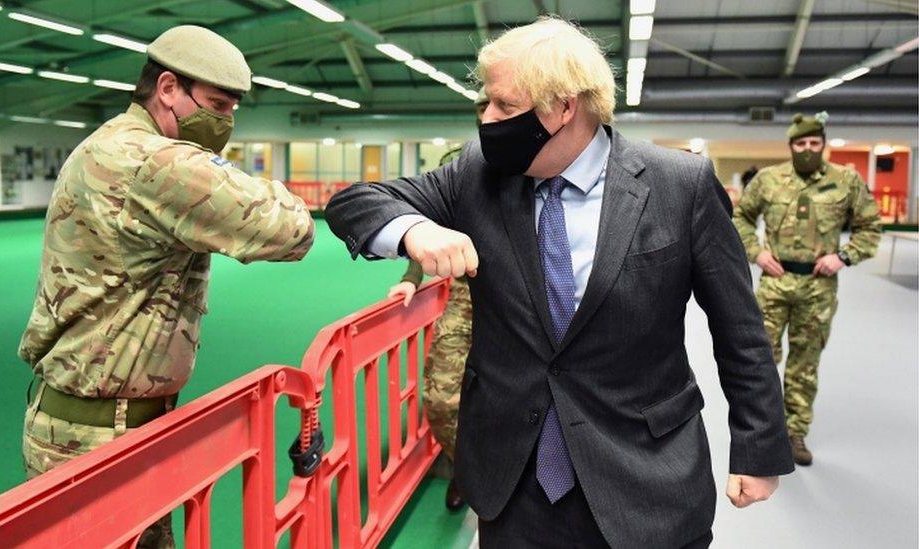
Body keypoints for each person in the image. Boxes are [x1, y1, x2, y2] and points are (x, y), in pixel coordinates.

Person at [325, 17, 792, 549]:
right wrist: (414, 229)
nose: (486, 118)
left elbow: (740, 330)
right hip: (514, 480)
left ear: (563, 107)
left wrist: (759, 448)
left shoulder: (678, 185)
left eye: (503, 105)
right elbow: (354, 204)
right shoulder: (476, 175)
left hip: (645, 474)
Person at [18, 25, 315, 547]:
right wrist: (240, 178)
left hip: (111, 426)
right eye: (218, 106)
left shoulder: (112, 142)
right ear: (168, 88)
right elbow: (291, 229)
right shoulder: (152, 160)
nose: (224, 123)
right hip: (96, 438)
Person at [733, 112, 880, 466]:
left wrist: (843, 256)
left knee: (804, 363)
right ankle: (761, 431)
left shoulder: (846, 181)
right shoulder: (769, 180)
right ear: (791, 146)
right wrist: (757, 252)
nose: (808, 149)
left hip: (818, 288)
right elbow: (742, 217)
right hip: (774, 283)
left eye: (815, 143)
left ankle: (794, 433)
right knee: (760, 360)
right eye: (801, 144)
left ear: (824, 145)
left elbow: (869, 226)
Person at [386, 89, 488, 511]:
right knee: (443, 400)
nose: (493, 118)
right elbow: (426, 227)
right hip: (467, 295)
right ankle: (467, 469)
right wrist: (411, 277)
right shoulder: (458, 166)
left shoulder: (544, 163)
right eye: (485, 110)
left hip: (527, 301)